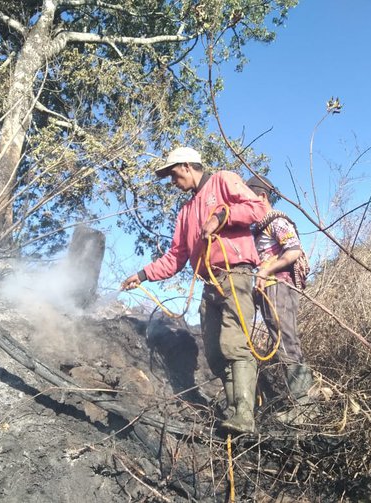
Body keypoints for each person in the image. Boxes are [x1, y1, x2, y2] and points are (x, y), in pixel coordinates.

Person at [122, 147, 266, 434]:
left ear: (187, 167)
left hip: (235, 274)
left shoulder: (223, 180)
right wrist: (142, 275)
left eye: (174, 175)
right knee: (214, 352)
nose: (173, 183)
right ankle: (234, 410)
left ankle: (245, 415)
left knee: (234, 344)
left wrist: (222, 215)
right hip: (210, 284)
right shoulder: (186, 211)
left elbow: (259, 208)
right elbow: (176, 257)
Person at [246, 174, 315, 424]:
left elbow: (294, 249)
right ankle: (302, 401)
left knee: (285, 342)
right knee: (281, 340)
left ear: (262, 196)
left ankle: (304, 407)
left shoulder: (276, 221)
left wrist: (265, 271)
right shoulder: (260, 227)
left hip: (279, 287)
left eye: (248, 197)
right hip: (270, 289)